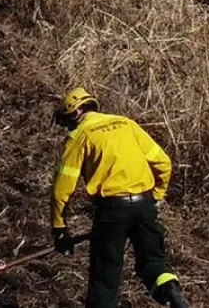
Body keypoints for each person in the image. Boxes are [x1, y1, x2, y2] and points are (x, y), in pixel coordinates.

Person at [51, 87, 190, 308]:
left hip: (112, 210)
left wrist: (59, 229)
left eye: (67, 120)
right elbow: (163, 163)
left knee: (105, 276)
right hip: (144, 203)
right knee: (154, 263)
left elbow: (61, 190)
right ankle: (172, 294)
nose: (68, 126)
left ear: (76, 111)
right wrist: (157, 197)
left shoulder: (80, 136)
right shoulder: (126, 124)